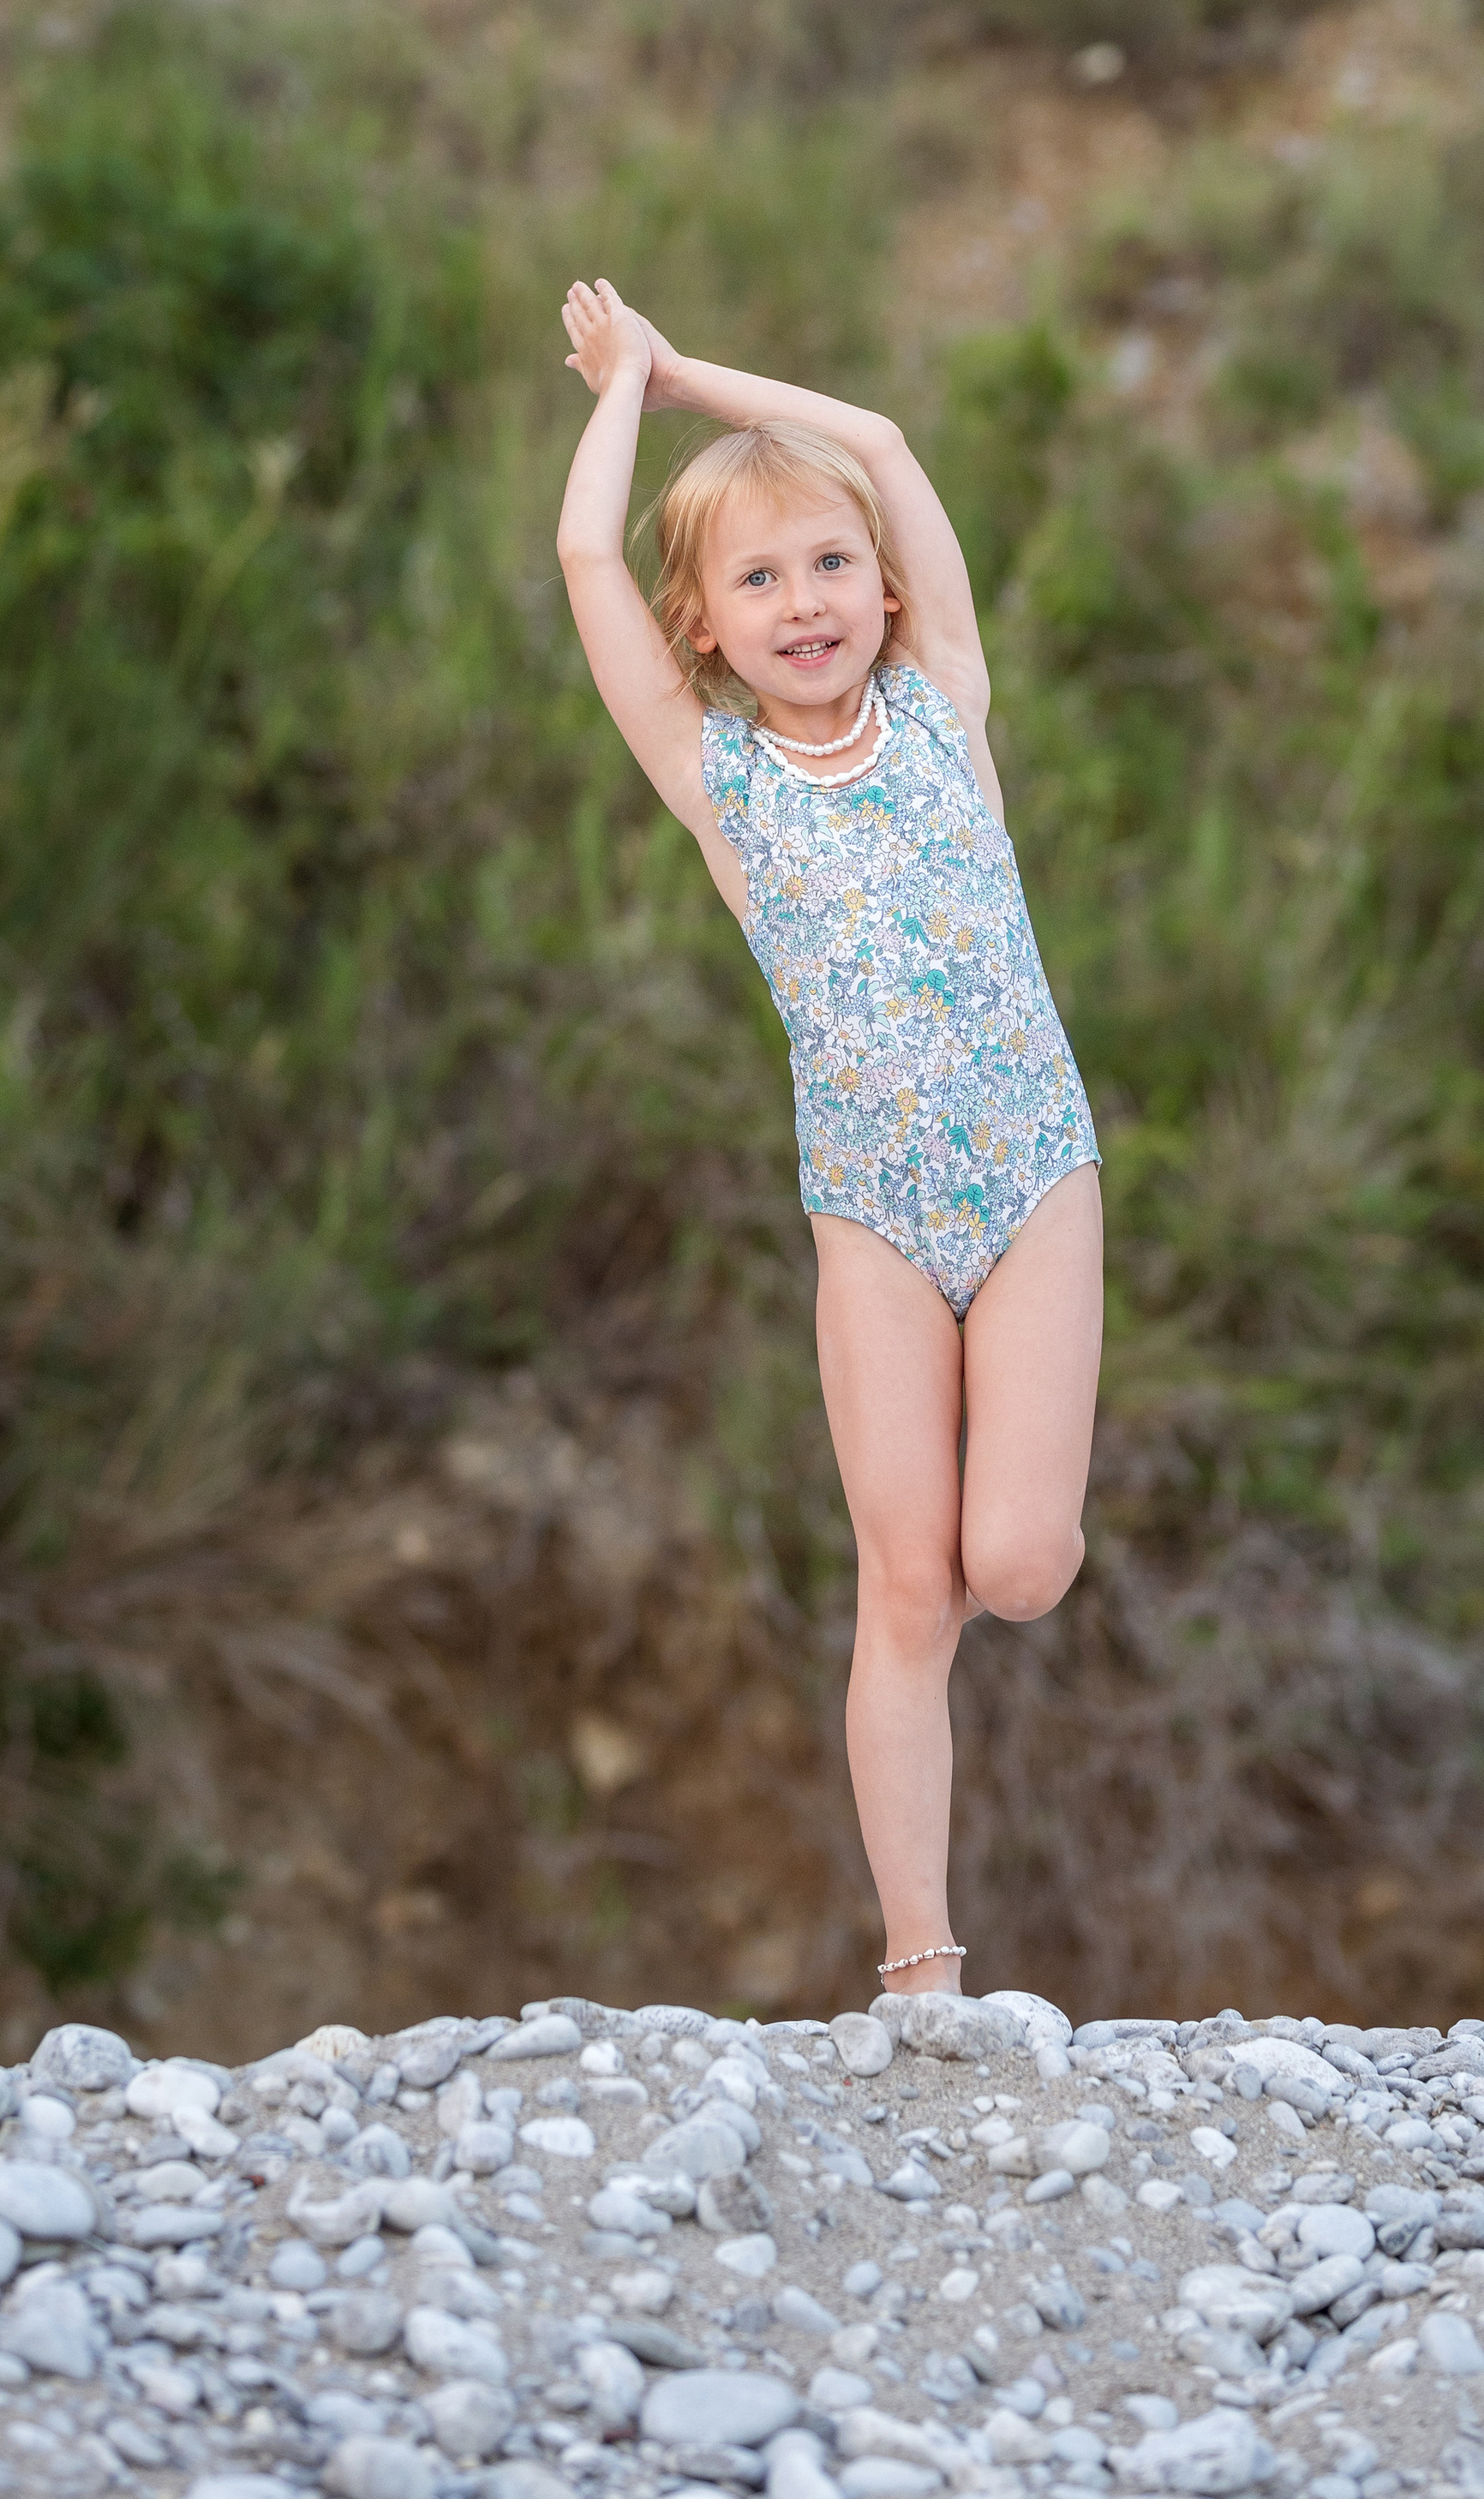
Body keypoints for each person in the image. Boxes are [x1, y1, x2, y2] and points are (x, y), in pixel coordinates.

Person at [554, 277, 1104, 2001]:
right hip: (868, 1211)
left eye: (827, 566)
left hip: (1028, 1178)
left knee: (1011, 1566)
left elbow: (870, 441)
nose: (805, 600)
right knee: (905, 1586)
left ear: (878, 588)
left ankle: (933, 1929)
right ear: (700, 626)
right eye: (757, 578)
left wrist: (684, 367)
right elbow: (582, 560)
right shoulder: (714, 776)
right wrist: (615, 399)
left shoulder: (945, 699)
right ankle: (916, 1962)